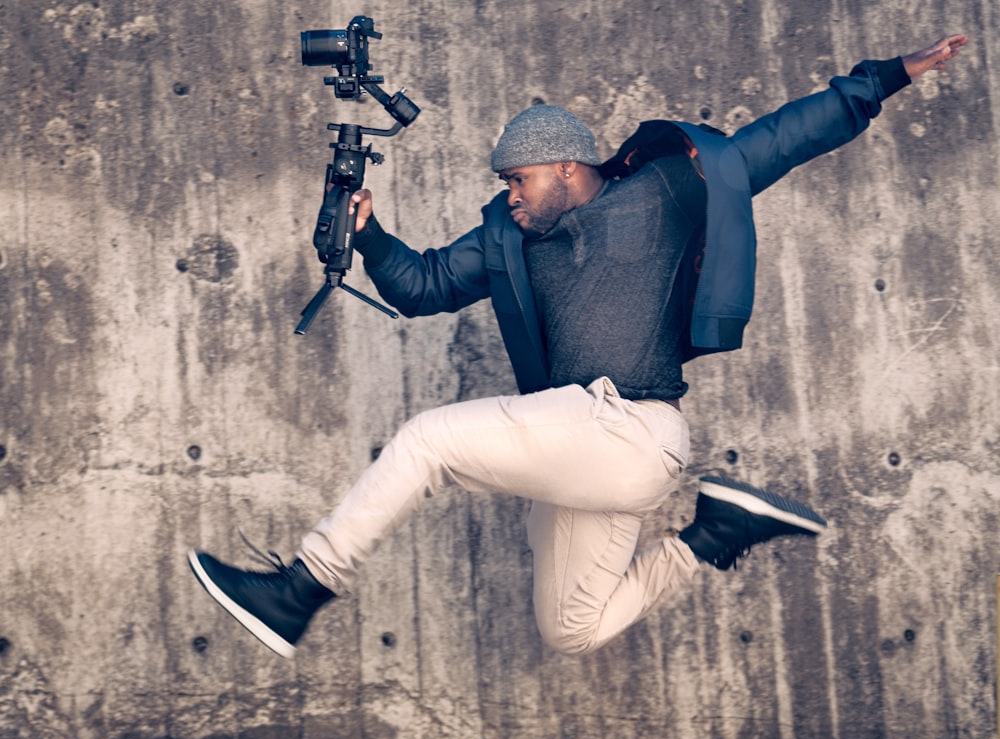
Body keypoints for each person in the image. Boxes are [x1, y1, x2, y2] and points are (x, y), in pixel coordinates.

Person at [189, 34, 968, 658]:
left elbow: (782, 139)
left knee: (429, 439)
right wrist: (371, 236)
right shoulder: (510, 237)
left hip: (635, 428)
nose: (509, 194)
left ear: (568, 165)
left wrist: (890, 76)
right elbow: (422, 285)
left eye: (519, 178)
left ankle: (301, 588)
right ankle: (712, 534)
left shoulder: (664, 192)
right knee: (572, 629)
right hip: (576, 446)